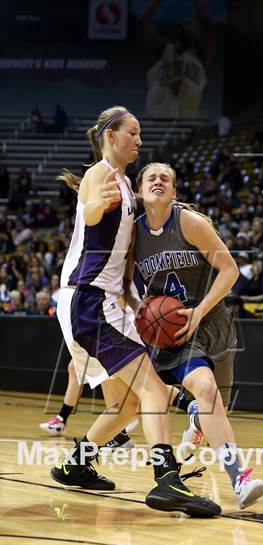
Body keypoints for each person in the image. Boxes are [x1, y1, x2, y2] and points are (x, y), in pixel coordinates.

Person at [50, 106, 220, 518]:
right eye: (133, 133)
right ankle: (166, 481)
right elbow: (89, 210)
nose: (139, 141)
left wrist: (134, 301)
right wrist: (94, 206)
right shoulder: (102, 174)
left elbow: (122, 259)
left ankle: (73, 465)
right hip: (89, 301)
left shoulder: (126, 183)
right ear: (111, 136)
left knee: (127, 405)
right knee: (154, 391)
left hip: (103, 301)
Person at [134, 162, 263, 509]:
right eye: (152, 178)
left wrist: (201, 310)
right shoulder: (133, 234)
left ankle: (196, 421)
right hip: (174, 328)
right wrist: (139, 309)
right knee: (206, 389)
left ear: (174, 192)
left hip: (212, 319)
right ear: (140, 189)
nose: (159, 182)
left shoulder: (190, 222)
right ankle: (240, 477)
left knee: (216, 403)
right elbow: (125, 285)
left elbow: (230, 270)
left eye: (166, 179)